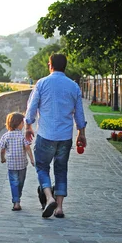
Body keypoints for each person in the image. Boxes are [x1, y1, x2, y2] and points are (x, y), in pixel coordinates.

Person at [25, 53, 86, 218]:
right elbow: (79, 114)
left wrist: (28, 125)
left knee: (42, 167)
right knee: (61, 169)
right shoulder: (73, 86)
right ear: (65, 66)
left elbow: (31, 108)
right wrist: (81, 133)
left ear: (50, 65)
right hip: (65, 136)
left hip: (46, 134)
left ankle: (49, 197)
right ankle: (59, 208)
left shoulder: (42, 83)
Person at [0, 112, 35, 211]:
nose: (23, 125)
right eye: (22, 123)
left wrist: (2, 158)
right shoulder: (22, 136)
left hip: (11, 164)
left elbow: (2, 149)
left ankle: (16, 201)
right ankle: (17, 199)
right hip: (22, 164)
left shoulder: (5, 136)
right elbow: (27, 148)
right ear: (18, 123)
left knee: (14, 182)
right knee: (20, 182)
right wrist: (32, 159)